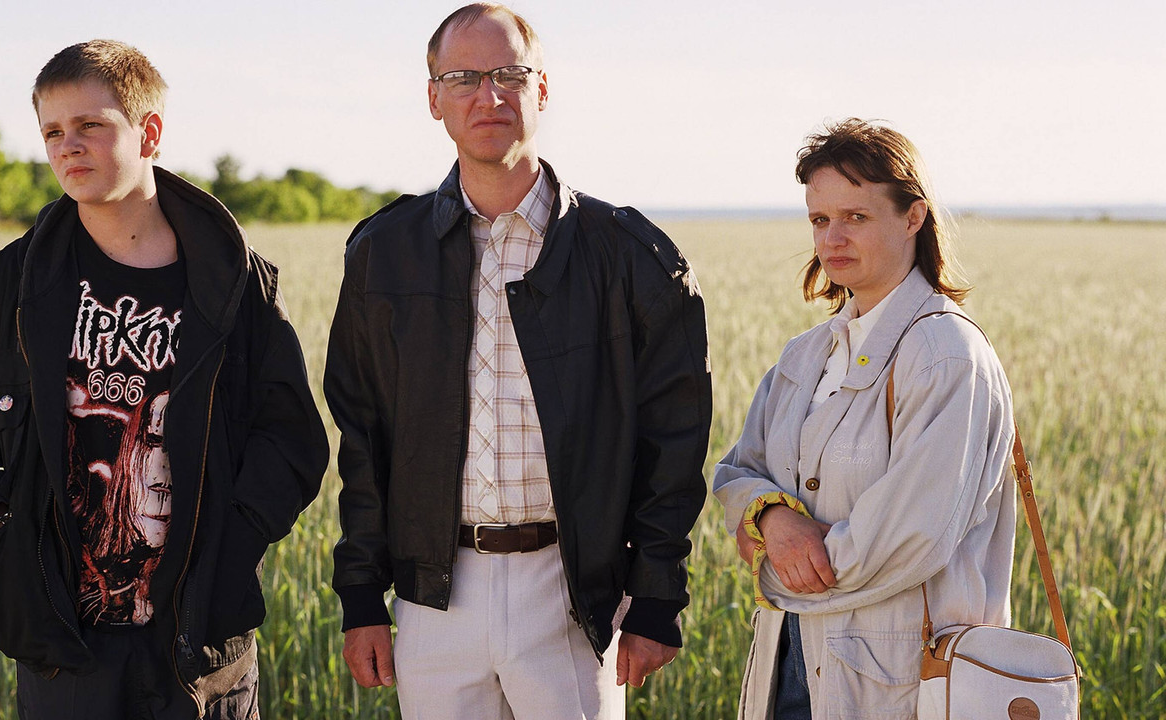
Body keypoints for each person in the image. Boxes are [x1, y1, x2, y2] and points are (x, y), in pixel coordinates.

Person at [0, 40, 328, 719]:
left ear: (150, 132)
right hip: (63, 647)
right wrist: (4, 534)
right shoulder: (11, 283)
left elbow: (290, 439)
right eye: (52, 131)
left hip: (201, 647)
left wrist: (234, 543)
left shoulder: (234, 285)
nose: (68, 146)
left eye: (91, 125)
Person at [323, 4, 712, 717]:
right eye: (464, 78)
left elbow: (674, 437)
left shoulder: (627, 255)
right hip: (433, 599)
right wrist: (361, 597)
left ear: (542, 89)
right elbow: (363, 438)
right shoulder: (384, 253)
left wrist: (656, 596)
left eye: (509, 74)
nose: (489, 95)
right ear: (433, 97)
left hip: (573, 591)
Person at [712, 119, 1017, 719]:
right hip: (790, 663)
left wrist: (779, 569)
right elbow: (736, 472)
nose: (833, 239)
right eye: (819, 219)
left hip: (900, 681)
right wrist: (771, 516)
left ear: (913, 217)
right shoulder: (804, 356)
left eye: (856, 216)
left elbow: (911, 536)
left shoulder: (945, 355)